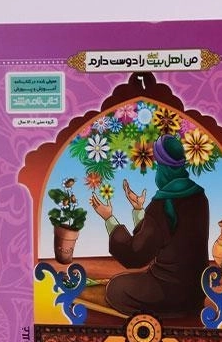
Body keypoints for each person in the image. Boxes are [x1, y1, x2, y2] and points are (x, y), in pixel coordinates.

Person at [89, 135, 209, 318]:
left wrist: (109, 219)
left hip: (169, 292)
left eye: (159, 167)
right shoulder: (199, 197)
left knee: (116, 288)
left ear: (165, 169)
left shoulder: (164, 203)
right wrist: (138, 209)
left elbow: (136, 255)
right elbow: (160, 236)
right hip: (196, 294)